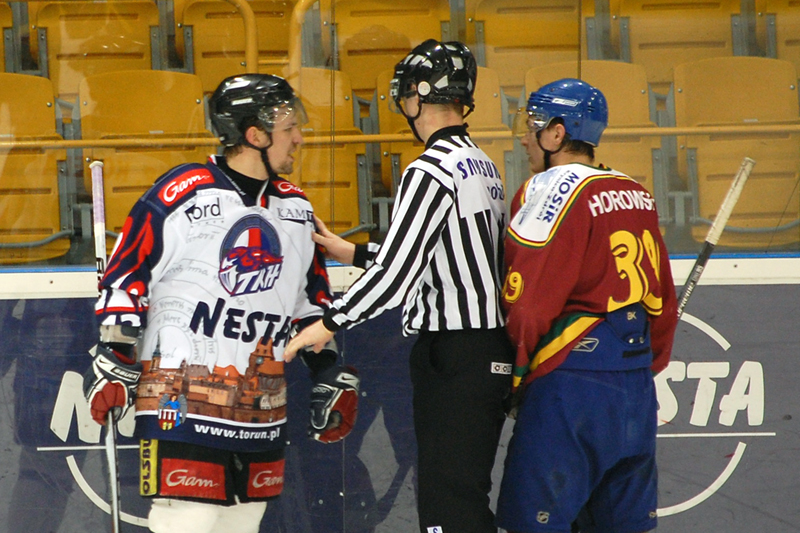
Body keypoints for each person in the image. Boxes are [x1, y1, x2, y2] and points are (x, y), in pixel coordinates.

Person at [82, 73, 360, 533]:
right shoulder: (183, 193)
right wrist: (117, 353)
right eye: (289, 128)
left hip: (261, 410)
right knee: (188, 520)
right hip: (179, 405)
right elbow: (126, 274)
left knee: (243, 521)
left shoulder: (297, 210)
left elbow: (310, 306)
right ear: (255, 135)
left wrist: (326, 370)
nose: (299, 138)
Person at [285, 39, 513, 533]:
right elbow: (439, 255)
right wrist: (350, 252)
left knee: (446, 501)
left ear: (418, 94)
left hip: (453, 355)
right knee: (463, 494)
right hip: (485, 351)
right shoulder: (482, 163)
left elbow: (395, 276)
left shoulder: (430, 169)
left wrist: (328, 323)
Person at [495, 78, 679, 533]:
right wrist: (642, 367)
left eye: (532, 127)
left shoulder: (547, 189)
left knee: (535, 526)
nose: (524, 139)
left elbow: (529, 305)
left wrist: (516, 376)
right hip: (635, 387)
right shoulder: (635, 191)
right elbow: (663, 302)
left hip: (570, 385)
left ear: (557, 133)